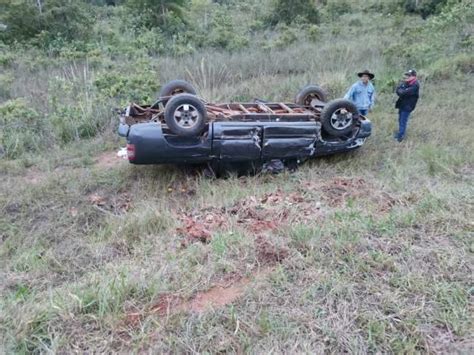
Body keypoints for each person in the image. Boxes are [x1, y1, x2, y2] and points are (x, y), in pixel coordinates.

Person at [395, 69, 420, 142]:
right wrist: (401, 90)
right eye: (407, 75)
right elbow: (398, 89)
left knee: (403, 121)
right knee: (400, 120)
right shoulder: (406, 82)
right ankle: (400, 133)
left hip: (408, 106)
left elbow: (403, 92)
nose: (407, 77)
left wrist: (402, 90)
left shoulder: (415, 85)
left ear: (414, 76)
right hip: (402, 104)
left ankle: (400, 137)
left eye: (409, 75)